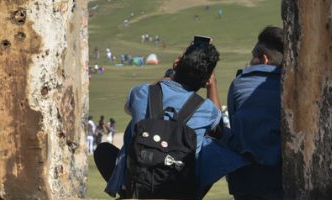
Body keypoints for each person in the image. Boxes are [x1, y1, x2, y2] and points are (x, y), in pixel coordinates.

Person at [99, 40, 246, 198]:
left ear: (177, 64)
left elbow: (130, 108)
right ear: (205, 81)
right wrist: (212, 84)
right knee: (214, 149)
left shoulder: (141, 92)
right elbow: (219, 131)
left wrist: (170, 74)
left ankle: (127, 190)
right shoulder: (207, 110)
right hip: (180, 189)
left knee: (106, 149)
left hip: (135, 184)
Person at [225, 26, 284, 199]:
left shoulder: (239, 83)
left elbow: (233, 119)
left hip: (245, 179)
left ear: (265, 59)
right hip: (280, 175)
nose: (250, 62)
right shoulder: (292, 82)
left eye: (253, 57)